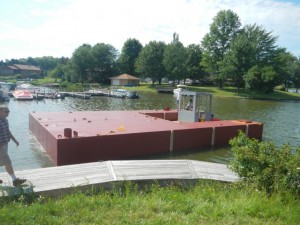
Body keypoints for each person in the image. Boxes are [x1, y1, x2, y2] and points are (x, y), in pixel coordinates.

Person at [0, 105, 27, 186]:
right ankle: (15, 180)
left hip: (5, 145)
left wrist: (15, 140)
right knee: (8, 162)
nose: (8, 113)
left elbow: (8, 132)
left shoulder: (5, 120)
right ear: (0, 111)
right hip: (0, 146)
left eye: (8, 111)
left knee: (2, 162)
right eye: (6, 111)